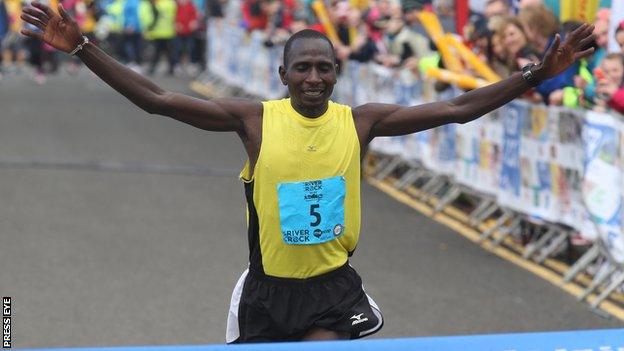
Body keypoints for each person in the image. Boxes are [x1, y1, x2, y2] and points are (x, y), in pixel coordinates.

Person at [20, 0, 595, 343]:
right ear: (282, 74)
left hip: (329, 293)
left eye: (324, 67)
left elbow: (454, 108)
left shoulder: (361, 122)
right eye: (303, 68)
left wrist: (535, 76)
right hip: (267, 294)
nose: (314, 77)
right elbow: (158, 99)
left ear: (337, 73)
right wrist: (83, 48)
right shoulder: (254, 122)